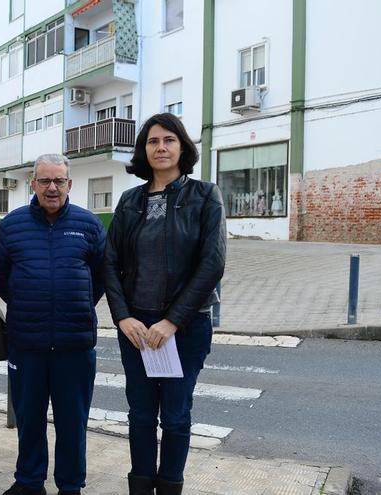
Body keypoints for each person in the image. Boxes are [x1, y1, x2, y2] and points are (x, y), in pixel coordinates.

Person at [103, 113, 226, 495]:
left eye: (169, 140)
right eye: (153, 141)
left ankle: (170, 485)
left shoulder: (205, 196)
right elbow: (109, 262)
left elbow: (213, 263)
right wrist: (122, 317)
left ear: (182, 147)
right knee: (140, 413)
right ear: (143, 150)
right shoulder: (129, 201)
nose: (161, 147)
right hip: (137, 329)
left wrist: (172, 321)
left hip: (184, 329)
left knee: (175, 415)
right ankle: (139, 487)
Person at [0, 154, 106, 495]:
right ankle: (29, 482)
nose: (52, 187)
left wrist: (76, 304)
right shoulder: (12, 225)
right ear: (33, 184)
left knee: (73, 423)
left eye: (59, 181)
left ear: (70, 184)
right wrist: (30, 304)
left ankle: (70, 486)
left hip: (75, 344)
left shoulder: (89, 225)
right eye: (45, 181)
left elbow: (101, 277)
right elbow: (1, 277)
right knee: (29, 419)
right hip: (27, 343)